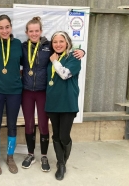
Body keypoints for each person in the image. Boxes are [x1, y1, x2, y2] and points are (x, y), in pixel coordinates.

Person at [21, 17, 84, 171]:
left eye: (37, 31)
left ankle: (44, 155)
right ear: (26, 32)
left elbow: (66, 48)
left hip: (43, 91)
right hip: (27, 91)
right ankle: (30, 154)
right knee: (29, 123)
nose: (34, 33)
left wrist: (82, 51)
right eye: (31, 31)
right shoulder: (21, 46)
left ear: (41, 31)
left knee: (43, 124)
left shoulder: (48, 46)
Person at [0, 14, 22, 175]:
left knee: (12, 124)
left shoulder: (18, 44)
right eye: (1, 28)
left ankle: (10, 157)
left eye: (7, 27)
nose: (4, 30)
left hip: (15, 91)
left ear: (11, 27)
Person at [45, 31, 81, 180]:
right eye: (55, 42)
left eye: (61, 41)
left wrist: (55, 61)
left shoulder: (74, 57)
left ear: (67, 43)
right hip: (53, 103)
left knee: (64, 135)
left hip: (67, 103)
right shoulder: (51, 58)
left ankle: (63, 161)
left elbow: (65, 74)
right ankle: (60, 164)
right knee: (55, 135)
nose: (58, 44)